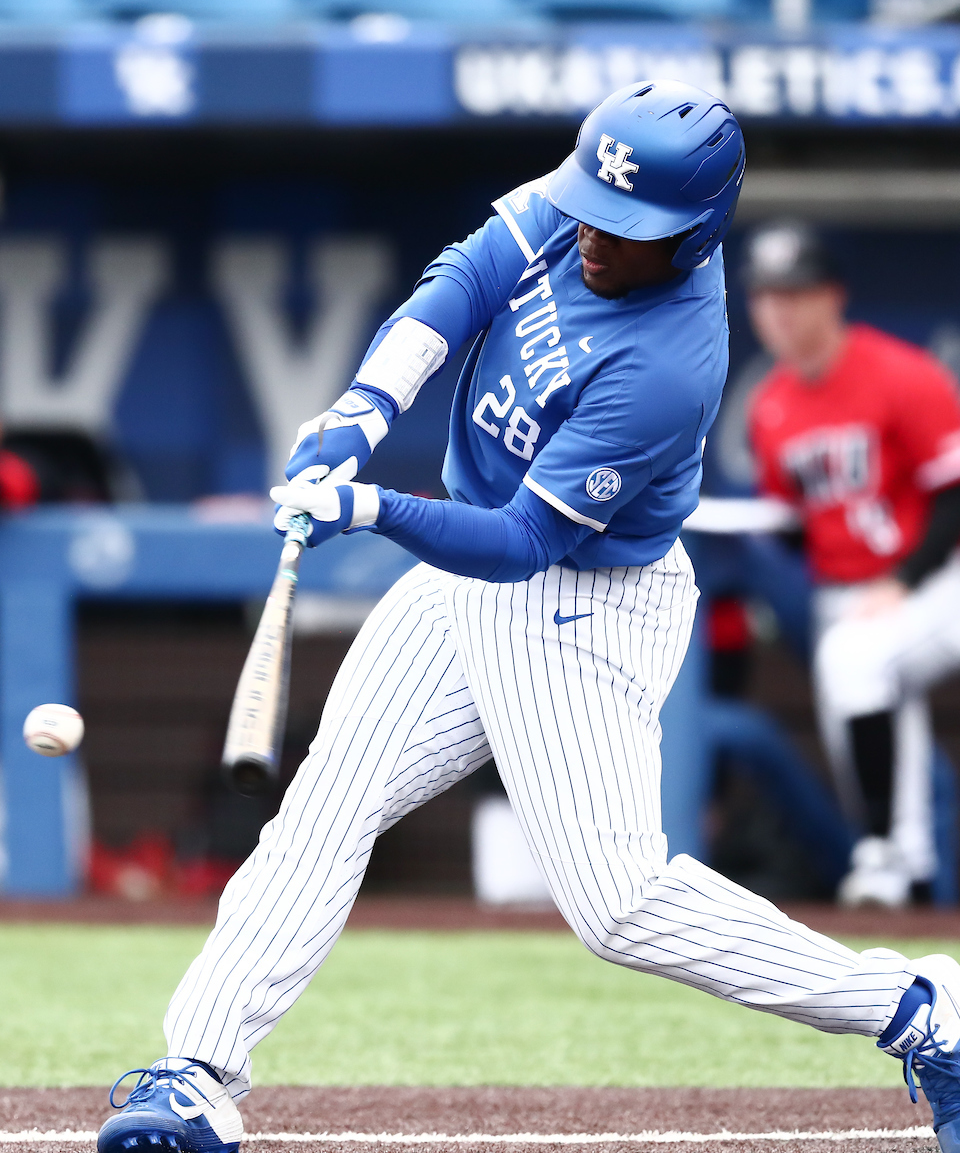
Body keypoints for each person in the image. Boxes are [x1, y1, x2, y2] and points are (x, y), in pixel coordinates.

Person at [97, 82, 960, 1153]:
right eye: (591, 207)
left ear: (695, 238)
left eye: (628, 231)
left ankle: (922, 1013)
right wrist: (366, 408)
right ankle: (198, 1072)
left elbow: (520, 546)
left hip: (576, 607)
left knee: (618, 906)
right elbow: (463, 280)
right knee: (326, 807)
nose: (594, 236)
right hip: (478, 572)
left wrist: (369, 507)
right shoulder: (595, 193)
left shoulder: (666, 367)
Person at [745, 221, 960, 910]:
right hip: (853, 595)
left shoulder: (902, 373)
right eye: (767, 296)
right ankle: (910, 878)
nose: (780, 311)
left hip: (938, 579)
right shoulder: (771, 406)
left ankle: (879, 854)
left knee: (854, 662)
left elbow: (954, 494)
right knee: (864, 702)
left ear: (832, 296)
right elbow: (790, 524)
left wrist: (902, 579)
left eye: (796, 294)